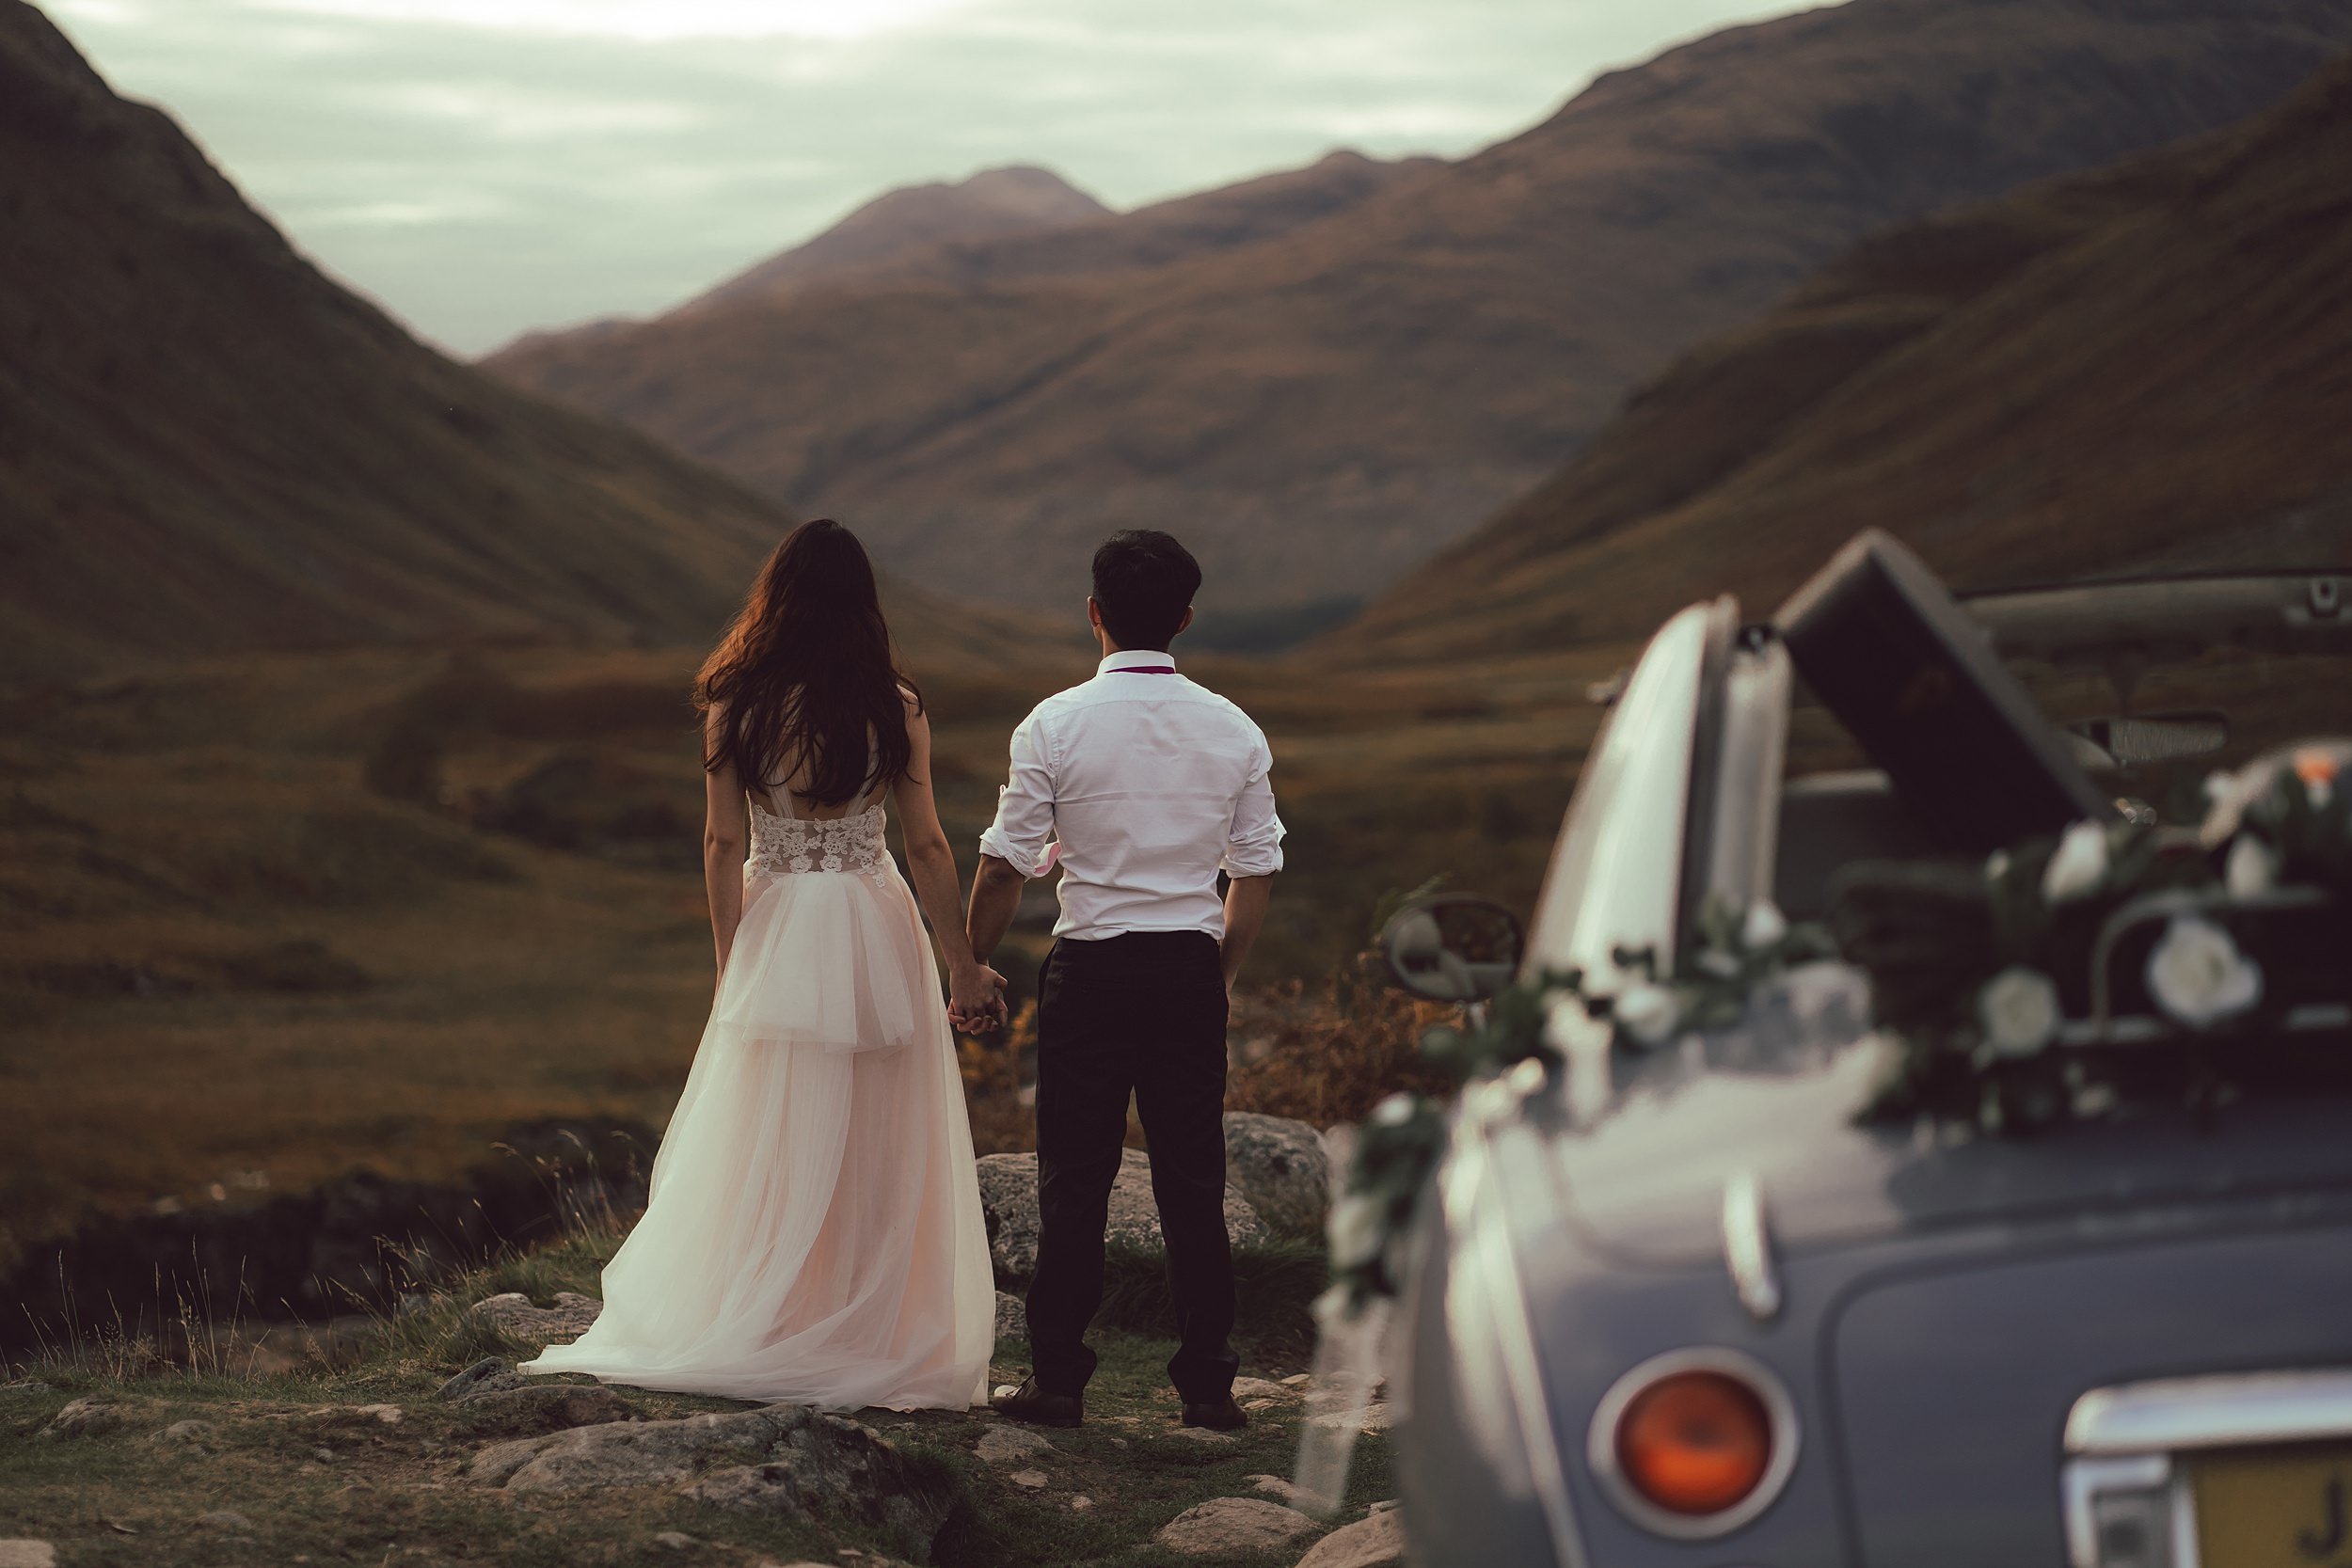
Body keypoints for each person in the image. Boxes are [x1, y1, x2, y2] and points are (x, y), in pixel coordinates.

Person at [522, 518, 1004, 1409]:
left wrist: (727, 959)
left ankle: (771, 1314)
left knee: (770, 1124)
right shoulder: (894, 704)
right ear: (863, 603)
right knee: (879, 1131)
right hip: (872, 917)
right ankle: (869, 1326)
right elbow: (929, 844)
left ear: (774, 600)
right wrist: (964, 966)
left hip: (778, 920)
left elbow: (721, 838)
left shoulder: (735, 702)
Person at [966, 529, 1284, 1430]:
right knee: (1193, 1177)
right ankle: (1209, 1385)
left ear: (1095, 614)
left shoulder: (1054, 722)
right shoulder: (1233, 725)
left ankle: (1058, 1380)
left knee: (1076, 1175)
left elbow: (1003, 865)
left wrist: (972, 962)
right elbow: (1253, 871)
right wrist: (1218, 973)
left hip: (1092, 967)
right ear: (1183, 618)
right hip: (1186, 960)